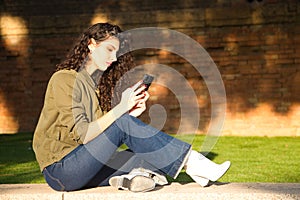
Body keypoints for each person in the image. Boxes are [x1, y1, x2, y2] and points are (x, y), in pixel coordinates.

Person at [32, 22, 231, 192]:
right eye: (109, 49)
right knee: (125, 124)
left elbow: (101, 133)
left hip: (87, 167)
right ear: (91, 45)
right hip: (62, 170)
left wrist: (129, 113)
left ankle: (131, 180)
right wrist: (120, 112)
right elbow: (85, 135)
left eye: (117, 52)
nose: (115, 57)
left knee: (151, 154)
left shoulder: (95, 87)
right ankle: (194, 163)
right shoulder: (64, 79)